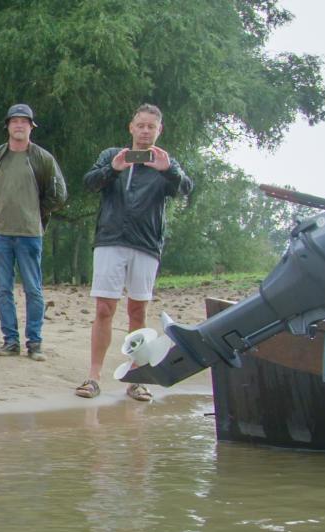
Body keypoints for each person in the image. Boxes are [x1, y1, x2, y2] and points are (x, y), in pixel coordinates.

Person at [77, 104, 194, 401]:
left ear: (159, 131)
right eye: (140, 125)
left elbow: (186, 190)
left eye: (150, 127)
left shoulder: (166, 162)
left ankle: (136, 377)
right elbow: (89, 183)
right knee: (104, 308)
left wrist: (169, 171)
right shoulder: (111, 155)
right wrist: (112, 169)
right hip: (110, 240)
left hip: (146, 244)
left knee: (138, 311)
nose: (144, 132)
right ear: (131, 127)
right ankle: (93, 376)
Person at [0, 104, 68, 362]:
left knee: (33, 290)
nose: (19, 125)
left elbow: (59, 195)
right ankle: (10, 341)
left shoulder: (42, 158)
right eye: (15, 121)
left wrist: (36, 211)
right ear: (7, 125)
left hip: (29, 233)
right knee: (4, 290)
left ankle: (34, 343)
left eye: (24, 121)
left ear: (31, 126)